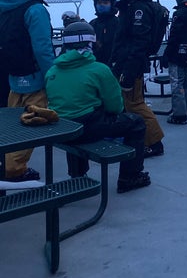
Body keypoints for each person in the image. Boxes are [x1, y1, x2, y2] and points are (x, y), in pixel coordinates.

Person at [45, 22, 151, 193]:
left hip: (61, 129)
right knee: (136, 123)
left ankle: (77, 175)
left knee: (71, 120)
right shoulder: (99, 70)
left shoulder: (52, 71)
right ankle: (130, 176)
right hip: (88, 127)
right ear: (91, 43)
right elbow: (115, 106)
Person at [0, 0, 54, 181]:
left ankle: (6, 164)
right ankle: (14, 171)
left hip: (12, 76)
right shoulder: (35, 9)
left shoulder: (3, 3)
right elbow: (42, 49)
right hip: (34, 78)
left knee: (11, 126)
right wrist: (52, 77)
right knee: (31, 125)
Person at [109, 0, 165, 158]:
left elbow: (139, 42)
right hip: (125, 63)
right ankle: (139, 138)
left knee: (136, 104)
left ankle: (155, 142)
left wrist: (129, 72)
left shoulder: (138, 7)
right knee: (130, 103)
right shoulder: (130, 4)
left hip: (131, 65)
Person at [89, 0, 119, 66]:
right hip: (96, 65)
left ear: (112, 5)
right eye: (99, 3)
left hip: (114, 65)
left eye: (105, 3)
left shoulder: (118, 23)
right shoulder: (92, 24)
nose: (102, 5)